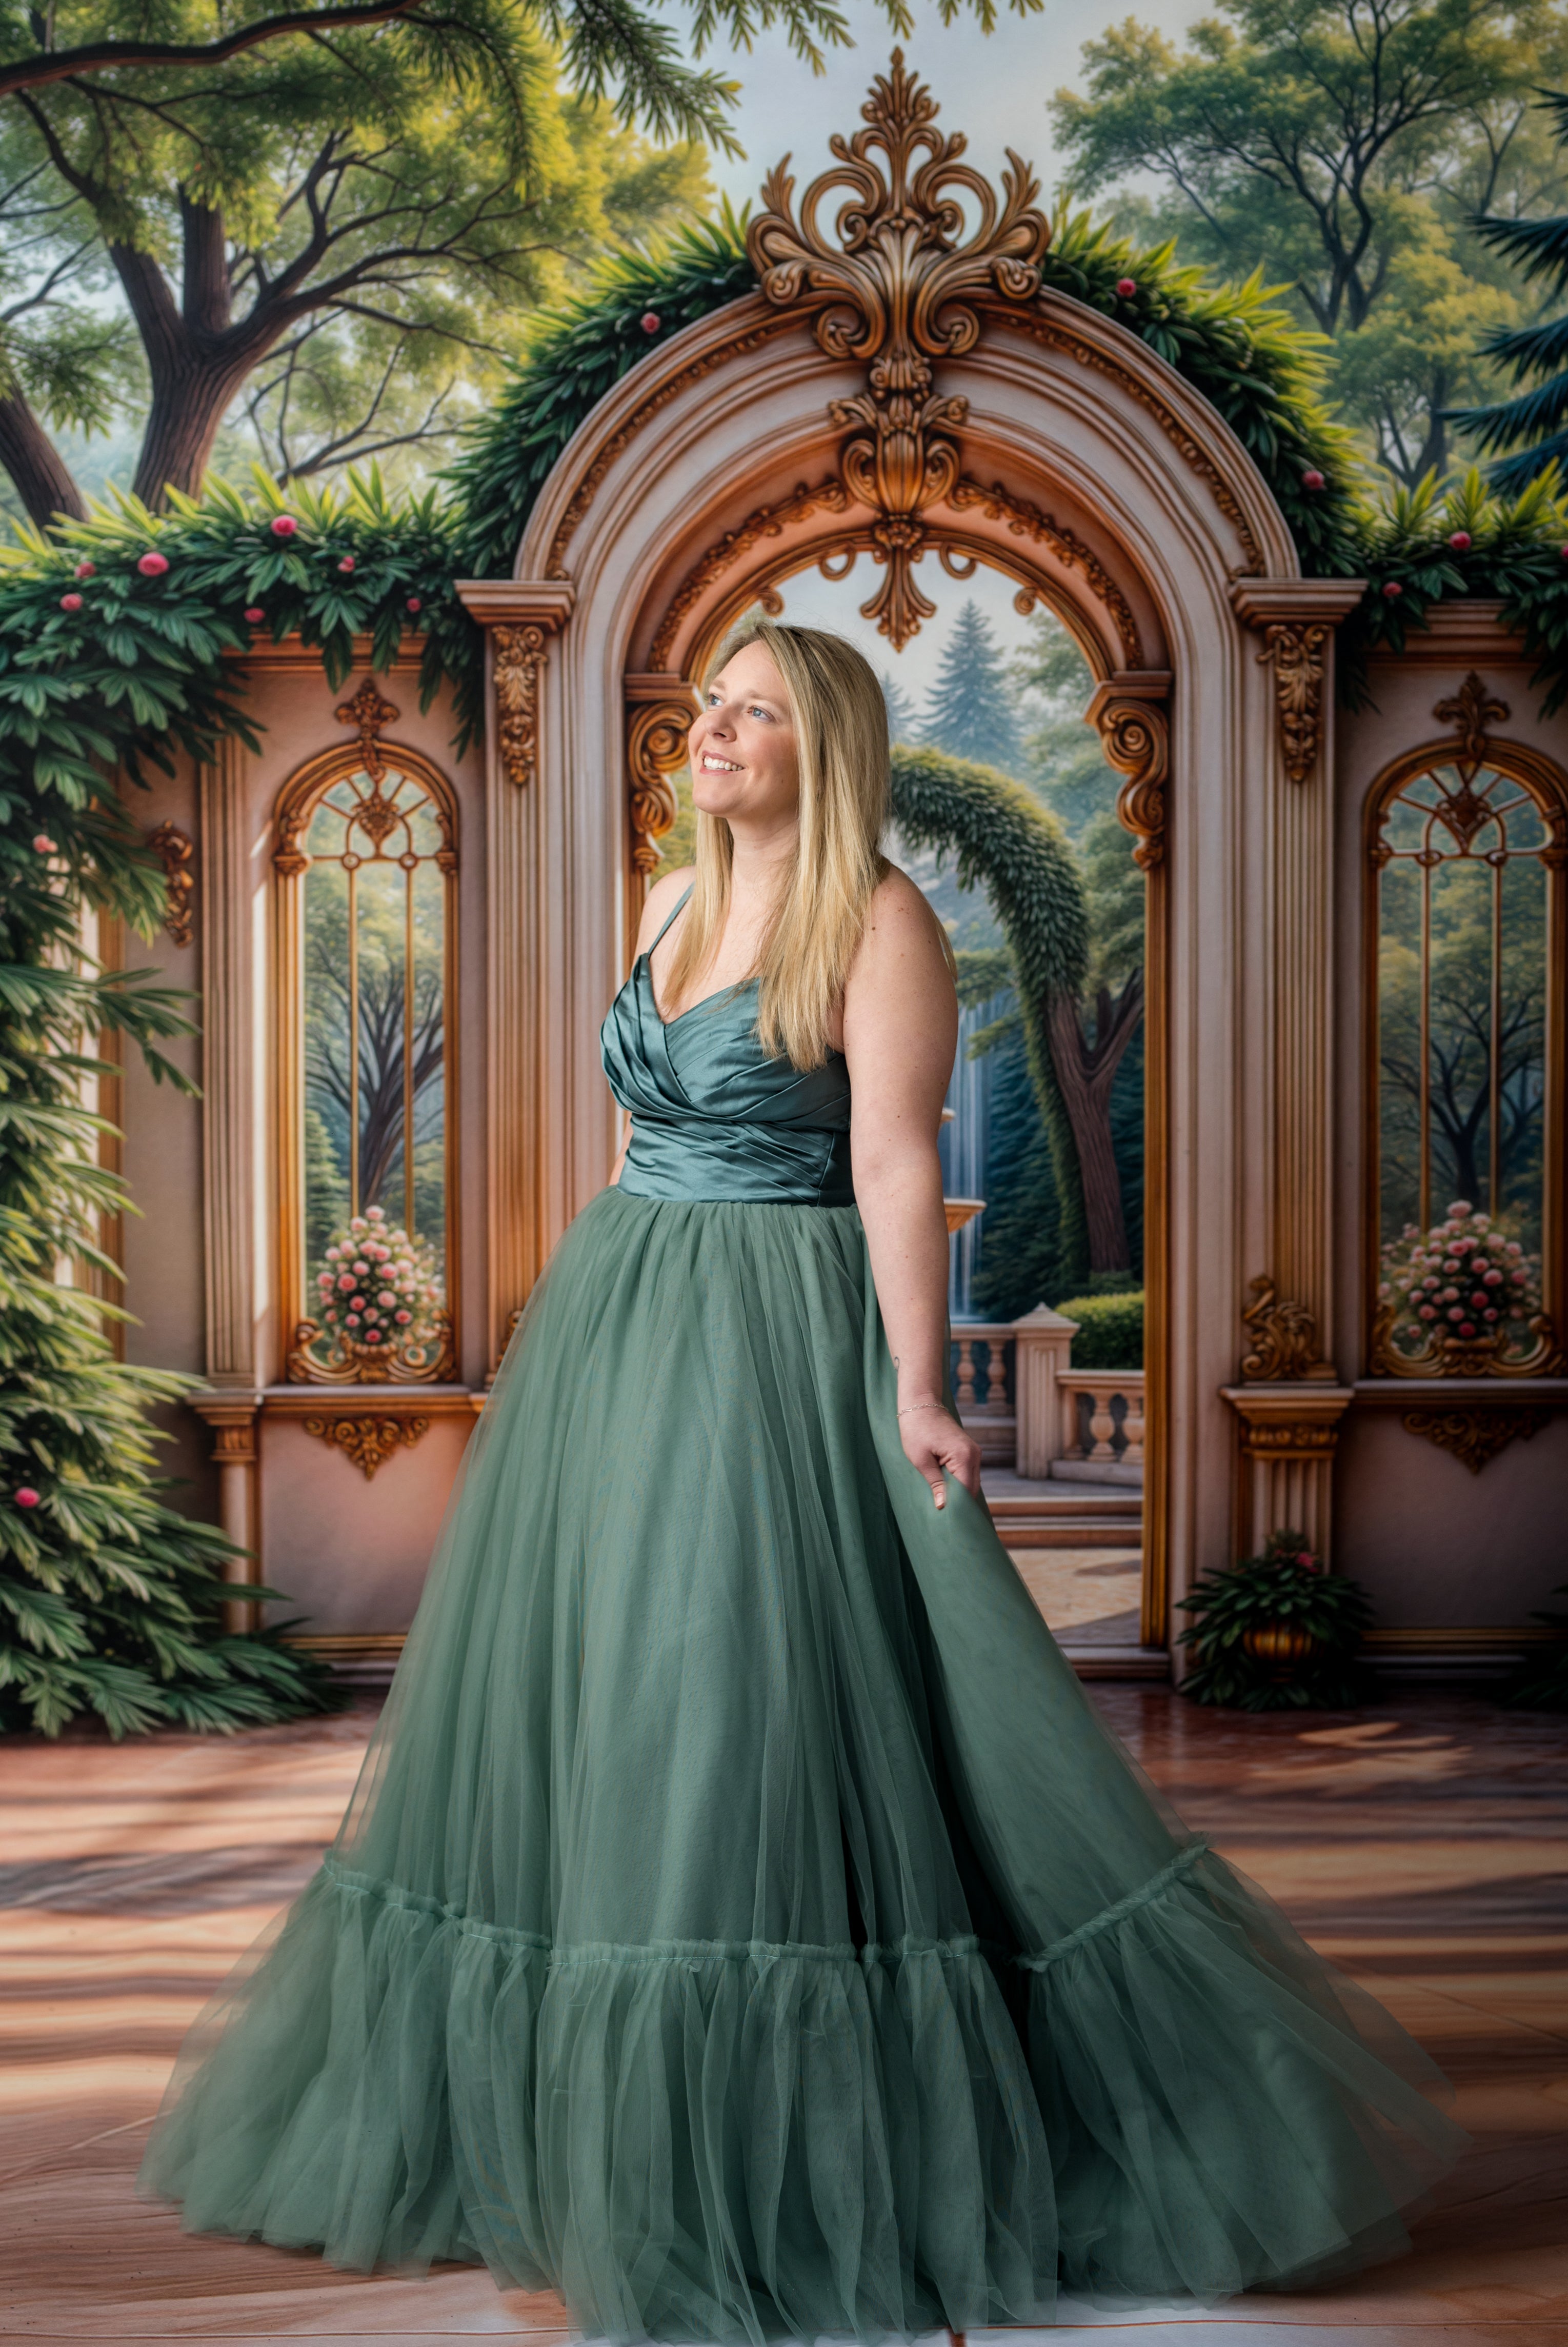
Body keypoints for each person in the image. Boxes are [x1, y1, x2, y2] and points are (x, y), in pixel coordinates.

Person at [142, 621, 1463, 2341]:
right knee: (607, 1703)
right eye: (709, 709)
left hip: (775, 1331)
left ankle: (765, 2159)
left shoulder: (882, 922)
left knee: (735, 1706)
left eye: (754, 713)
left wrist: (918, 1383)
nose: (714, 734)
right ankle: (567, 2129)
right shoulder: (663, 903)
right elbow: (633, 1139)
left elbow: (896, 1162)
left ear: (823, 742)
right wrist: (585, 1317)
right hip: (623, 1325)